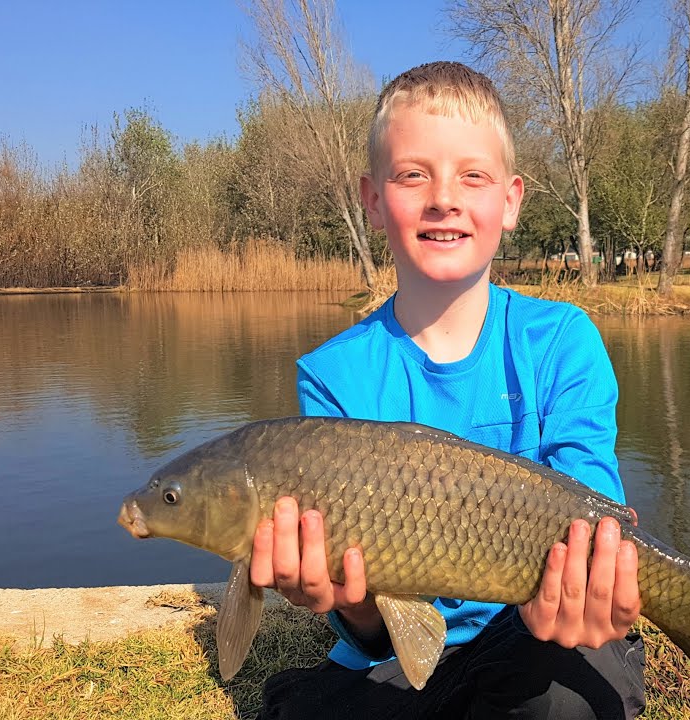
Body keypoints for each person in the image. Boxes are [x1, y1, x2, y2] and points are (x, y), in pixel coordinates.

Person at [251, 61, 646, 719]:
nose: (443, 198)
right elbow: (373, 627)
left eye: (473, 175)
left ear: (511, 200)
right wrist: (346, 599)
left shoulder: (562, 340)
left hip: (539, 630)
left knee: (558, 709)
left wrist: (589, 585)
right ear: (373, 200)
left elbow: (593, 519)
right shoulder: (333, 375)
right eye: (412, 174)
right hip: (401, 654)